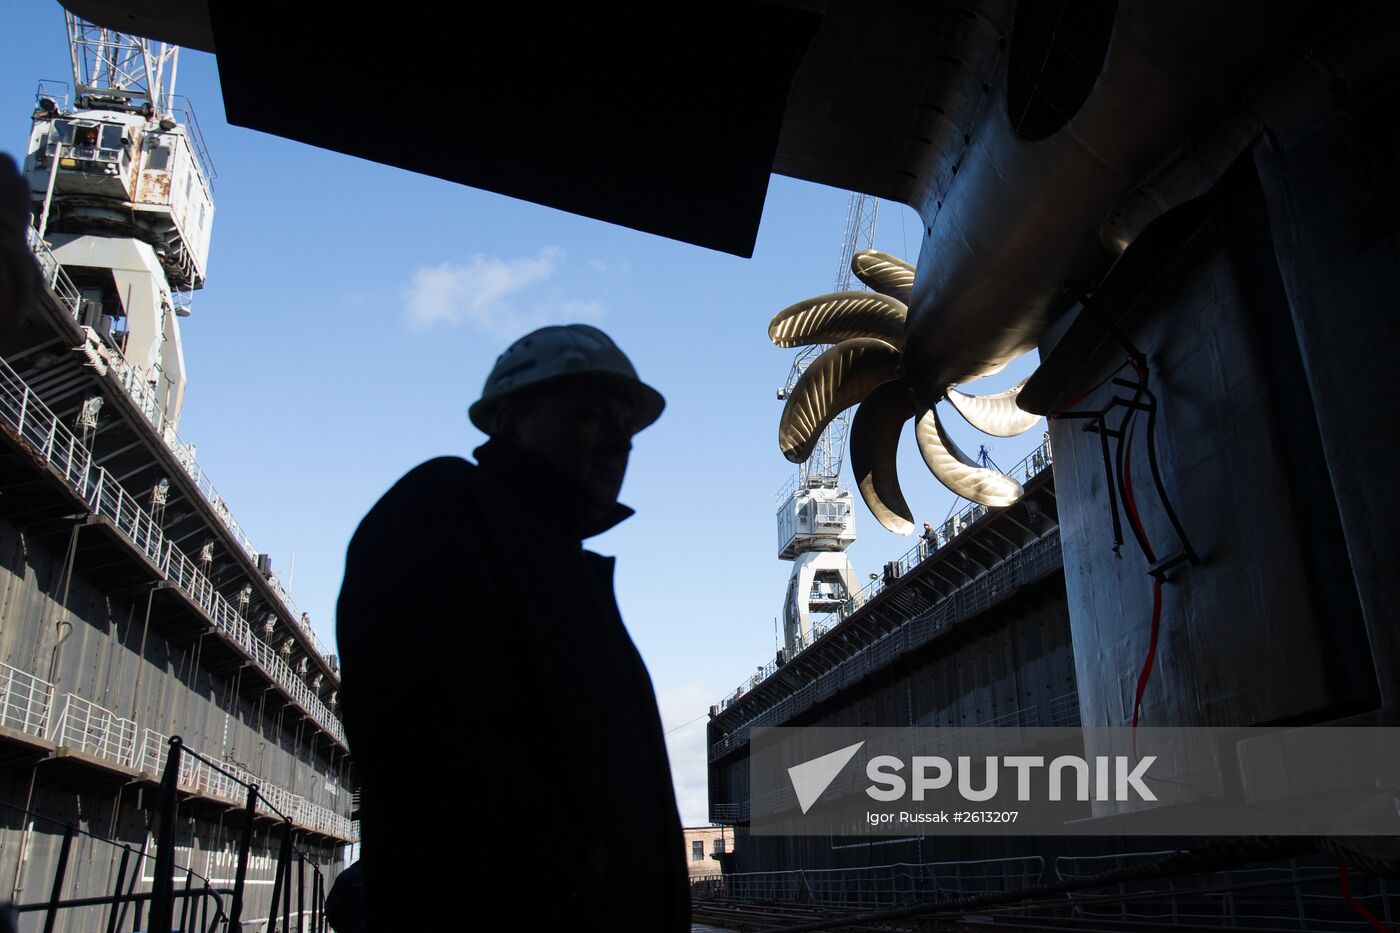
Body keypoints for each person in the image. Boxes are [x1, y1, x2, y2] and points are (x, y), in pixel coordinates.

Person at [335, 324, 689, 932]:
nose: (616, 445)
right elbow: (434, 744)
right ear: (507, 419)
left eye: (625, 430)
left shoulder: (556, 565)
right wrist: (572, 888)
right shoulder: (444, 512)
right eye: (590, 417)